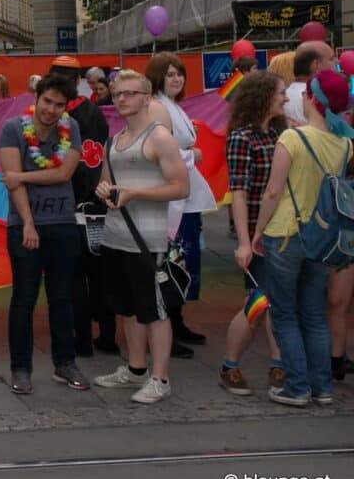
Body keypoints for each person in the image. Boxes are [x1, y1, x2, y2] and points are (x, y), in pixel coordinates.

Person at [252, 69, 352, 407]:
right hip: (323, 239)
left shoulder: (292, 139)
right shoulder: (346, 143)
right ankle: (322, 387)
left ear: (312, 98)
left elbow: (273, 192)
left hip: (285, 234)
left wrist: (256, 232)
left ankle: (296, 387)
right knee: (314, 314)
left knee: (284, 313)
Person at [93, 70, 189, 404]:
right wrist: (106, 191)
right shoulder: (115, 140)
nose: (122, 99)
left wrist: (134, 194)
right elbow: (106, 186)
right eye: (118, 93)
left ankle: (160, 377)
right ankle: (135, 369)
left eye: (130, 93)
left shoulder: (159, 137)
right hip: (115, 236)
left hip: (148, 240)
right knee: (127, 308)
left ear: (147, 97)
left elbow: (181, 186)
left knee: (154, 310)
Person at [0, 74, 90, 394]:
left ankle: (65, 363)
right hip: (24, 225)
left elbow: (64, 172)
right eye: (47, 101)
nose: (51, 110)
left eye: (59, 105)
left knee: (63, 298)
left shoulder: (72, 128)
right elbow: (14, 187)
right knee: (23, 299)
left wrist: (20, 174)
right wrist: (27, 223)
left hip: (63, 222)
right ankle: (20, 369)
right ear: (37, 97)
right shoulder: (13, 128)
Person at [146, 53, 218, 358]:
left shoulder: (172, 106)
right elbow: (160, 151)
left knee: (183, 262)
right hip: (173, 197)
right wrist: (193, 156)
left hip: (186, 194)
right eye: (170, 74)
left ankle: (177, 320)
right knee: (173, 262)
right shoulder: (158, 107)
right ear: (158, 77)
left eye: (180, 74)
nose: (176, 79)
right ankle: (168, 327)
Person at [222, 71, 286, 396]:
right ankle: (230, 364)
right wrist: (245, 242)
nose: (285, 98)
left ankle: (278, 363)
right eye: (280, 93)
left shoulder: (277, 135)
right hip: (256, 235)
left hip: (279, 232)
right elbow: (239, 192)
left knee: (275, 302)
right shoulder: (242, 138)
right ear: (263, 97)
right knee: (257, 302)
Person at [48, 56, 116, 356]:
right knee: (101, 272)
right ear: (78, 81)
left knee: (73, 276)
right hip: (96, 203)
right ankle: (109, 336)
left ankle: (82, 340)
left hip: (66, 205)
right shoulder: (96, 113)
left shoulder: (55, 118)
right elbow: (101, 155)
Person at [285, 41, 335, 127]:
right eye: (331, 59)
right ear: (315, 65)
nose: (337, 62)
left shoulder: (283, 96)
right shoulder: (320, 98)